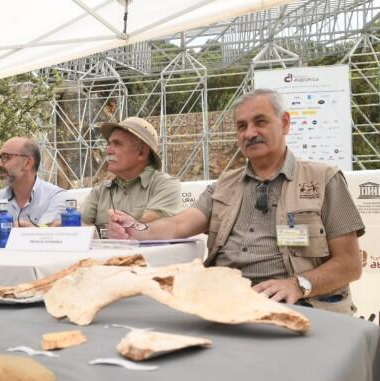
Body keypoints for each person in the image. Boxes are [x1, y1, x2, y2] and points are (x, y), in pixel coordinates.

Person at [108, 89, 364, 314]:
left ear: (284, 123)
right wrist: (134, 228)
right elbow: (177, 226)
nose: (250, 133)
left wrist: (298, 284)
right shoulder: (223, 186)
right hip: (225, 304)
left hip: (299, 306)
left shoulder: (323, 180)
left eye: (260, 122)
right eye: (242, 126)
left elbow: (349, 264)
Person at [80, 117, 181, 235]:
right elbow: (76, 228)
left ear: (142, 152)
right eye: (109, 143)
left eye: (117, 144)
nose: (108, 150)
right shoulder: (100, 191)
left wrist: (96, 231)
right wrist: (106, 231)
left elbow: (149, 229)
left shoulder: (165, 186)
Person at [0, 137, 67, 236]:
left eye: (6, 157)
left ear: (28, 163)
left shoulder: (56, 196)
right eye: (0, 157)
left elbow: (44, 234)